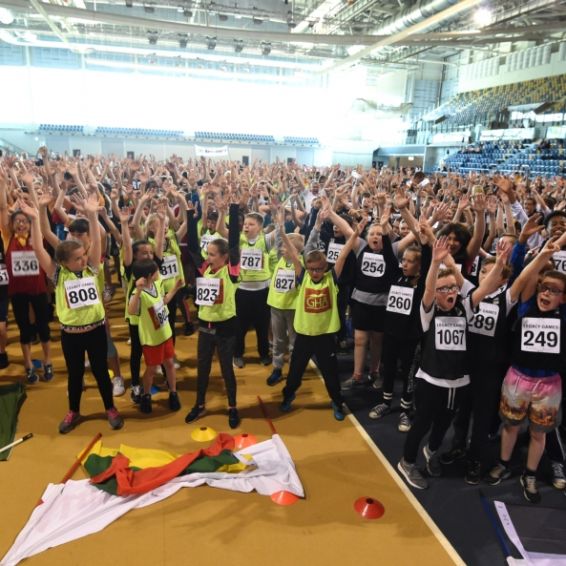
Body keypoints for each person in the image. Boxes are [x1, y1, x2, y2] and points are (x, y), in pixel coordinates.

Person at [397, 237, 511, 490]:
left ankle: (432, 451)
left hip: (459, 381)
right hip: (431, 380)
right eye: (443, 289)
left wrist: (501, 262)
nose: (449, 292)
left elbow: (485, 288)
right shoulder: (429, 312)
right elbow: (427, 290)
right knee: (422, 423)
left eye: (452, 288)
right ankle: (407, 462)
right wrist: (436, 263)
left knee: (444, 423)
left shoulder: (464, 307)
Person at [23, 194, 123, 434]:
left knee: (100, 372)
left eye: (83, 256)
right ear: (65, 262)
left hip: (96, 330)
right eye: (78, 259)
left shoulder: (92, 269)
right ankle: (74, 411)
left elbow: (97, 242)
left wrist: (91, 213)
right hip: (71, 335)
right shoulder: (58, 275)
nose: (83, 259)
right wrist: (37, 218)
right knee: (75, 374)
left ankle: (110, 408)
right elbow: (38, 247)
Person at [486, 238, 565, 503]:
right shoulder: (526, 307)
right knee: (510, 426)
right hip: (518, 377)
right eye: (543, 288)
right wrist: (543, 255)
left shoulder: (563, 316)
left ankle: (529, 473)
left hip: (549, 384)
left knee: (538, 433)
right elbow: (527, 280)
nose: (546, 294)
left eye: (554, 291)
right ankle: (504, 463)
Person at [279, 220, 368, 421]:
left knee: (331, 374)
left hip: (326, 336)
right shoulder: (302, 277)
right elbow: (294, 254)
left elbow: (344, 254)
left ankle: (336, 401)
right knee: (295, 372)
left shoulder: (331, 278)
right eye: (312, 269)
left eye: (319, 269)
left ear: (325, 267)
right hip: (304, 334)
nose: (316, 272)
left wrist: (354, 235)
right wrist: (281, 230)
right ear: (307, 268)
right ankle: (288, 395)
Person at [184, 199, 241, 429]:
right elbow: (192, 248)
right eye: (208, 253)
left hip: (226, 326)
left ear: (225, 257)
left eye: (213, 254)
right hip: (205, 326)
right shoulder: (204, 268)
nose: (208, 257)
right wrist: (190, 215)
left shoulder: (231, 271)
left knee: (227, 369)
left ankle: (232, 407)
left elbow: (235, 242)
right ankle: (199, 405)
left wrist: (234, 209)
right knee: (203, 367)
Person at [0, 173, 52, 382]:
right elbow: (4, 209)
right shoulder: (7, 238)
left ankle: (48, 362)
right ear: (12, 225)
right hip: (18, 292)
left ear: (30, 225)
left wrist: (31, 187)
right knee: (24, 329)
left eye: (25, 221)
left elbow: (37, 214)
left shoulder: (36, 238)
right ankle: (29, 364)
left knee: (43, 327)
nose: (21, 224)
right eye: (18, 221)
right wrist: (3, 185)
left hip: (38, 290)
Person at [128, 259, 182, 414]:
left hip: (165, 334)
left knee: (169, 364)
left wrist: (175, 289)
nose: (160, 272)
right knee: (151, 369)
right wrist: (138, 290)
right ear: (150, 275)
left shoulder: (157, 285)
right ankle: (146, 395)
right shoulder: (138, 294)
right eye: (157, 270)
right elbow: (132, 310)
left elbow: (163, 301)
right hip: (152, 340)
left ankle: (173, 392)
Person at [265, 211, 304, 386]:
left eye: (285, 247)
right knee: (278, 340)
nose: (281, 248)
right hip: (276, 306)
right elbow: (279, 242)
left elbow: (290, 247)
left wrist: (282, 231)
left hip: (292, 308)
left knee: (294, 342)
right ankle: (277, 368)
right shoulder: (281, 260)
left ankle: (294, 370)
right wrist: (279, 224)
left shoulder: (299, 263)